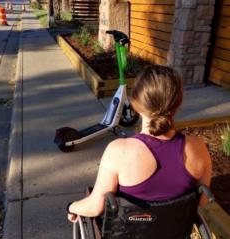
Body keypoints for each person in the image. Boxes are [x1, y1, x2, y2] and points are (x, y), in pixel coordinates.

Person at [67, 65, 212, 223]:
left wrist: (71, 207)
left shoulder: (119, 151)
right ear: (178, 105)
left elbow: (96, 207)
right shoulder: (198, 147)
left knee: (94, 195)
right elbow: (202, 201)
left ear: (135, 104)